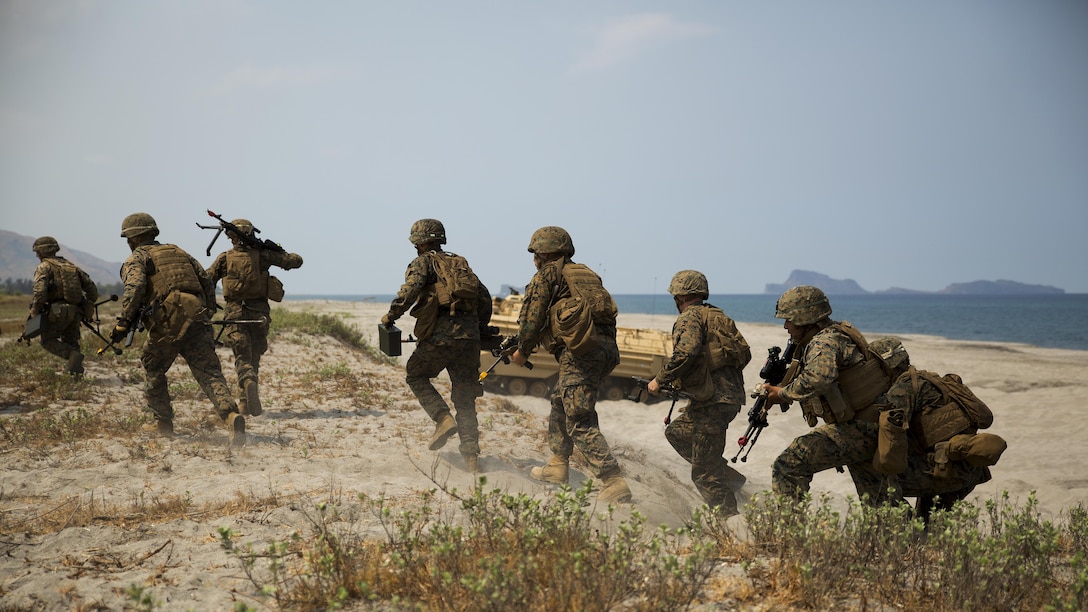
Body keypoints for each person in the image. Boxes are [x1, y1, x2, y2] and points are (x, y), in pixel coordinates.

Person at [510, 226, 632, 504]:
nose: (534, 260)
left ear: (543, 253)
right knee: (559, 401)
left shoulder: (548, 275)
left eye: (535, 254)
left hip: (580, 352)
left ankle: (613, 480)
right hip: (605, 350)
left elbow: (532, 317)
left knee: (578, 417)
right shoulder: (586, 274)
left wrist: (522, 351)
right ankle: (557, 464)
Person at [111, 212, 244, 445]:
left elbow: (135, 287)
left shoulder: (137, 259)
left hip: (168, 321)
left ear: (132, 238)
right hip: (198, 316)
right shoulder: (179, 252)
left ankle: (162, 423)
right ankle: (231, 416)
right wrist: (209, 311)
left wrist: (123, 323)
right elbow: (205, 280)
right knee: (209, 371)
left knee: (153, 366)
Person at [761, 285, 893, 504]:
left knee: (788, 465)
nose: (786, 326)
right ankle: (909, 536)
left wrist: (782, 394)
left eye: (789, 320)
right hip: (872, 423)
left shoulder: (824, 341)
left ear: (804, 318)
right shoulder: (836, 333)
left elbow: (818, 378)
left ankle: (790, 534)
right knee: (879, 500)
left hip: (860, 427)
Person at [381, 219, 492, 472]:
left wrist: (391, 316)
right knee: (465, 399)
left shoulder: (423, 262)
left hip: (440, 338)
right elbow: (483, 298)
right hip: (469, 340)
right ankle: (472, 458)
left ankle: (442, 418)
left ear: (419, 242)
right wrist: (477, 328)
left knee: (416, 374)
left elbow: (409, 291)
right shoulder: (461, 264)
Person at [647, 270, 751, 515]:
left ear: (680, 296)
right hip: (727, 399)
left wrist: (659, 380)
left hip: (711, 402)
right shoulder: (718, 316)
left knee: (704, 474)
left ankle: (730, 522)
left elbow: (686, 352)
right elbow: (743, 355)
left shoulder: (689, 318)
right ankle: (730, 477)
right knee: (676, 432)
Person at [867, 336, 1004, 522]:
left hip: (942, 471)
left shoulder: (904, 387)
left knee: (871, 473)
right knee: (931, 526)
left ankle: (901, 529)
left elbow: (887, 432)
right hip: (968, 472)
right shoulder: (933, 381)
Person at [206, 218, 303, 416]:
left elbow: (207, 280)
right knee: (254, 355)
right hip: (259, 315)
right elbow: (296, 261)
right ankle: (244, 402)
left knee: (242, 355)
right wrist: (275, 250)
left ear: (231, 237)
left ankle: (247, 384)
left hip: (235, 314)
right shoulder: (263, 256)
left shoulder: (224, 258)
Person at [28, 236, 99, 377]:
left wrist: (35, 311)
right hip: (75, 311)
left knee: (48, 341)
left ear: (43, 251)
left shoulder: (44, 267)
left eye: (37, 251)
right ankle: (75, 374)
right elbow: (92, 290)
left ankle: (72, 356)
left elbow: (40, 291)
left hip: (57, 311)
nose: (36, 255)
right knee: (71, 340)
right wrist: (86, 306)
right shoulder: (71, 266)